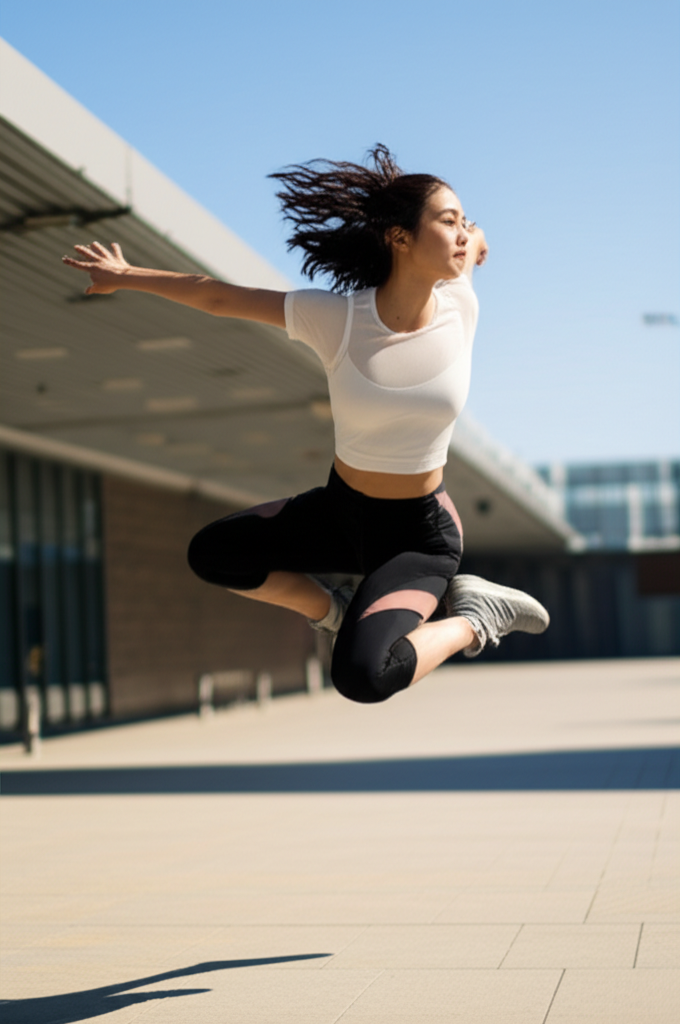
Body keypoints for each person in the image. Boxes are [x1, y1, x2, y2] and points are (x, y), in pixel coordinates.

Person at [63, 144, 549, 705]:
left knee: (363, 677)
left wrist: (475, 238)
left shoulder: (460, 304)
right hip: (339, 514)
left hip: (417, 537)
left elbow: (474, 240)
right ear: (399, 237)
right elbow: (219, 297)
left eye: (465, 221)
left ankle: (476, 616)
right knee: (213, 554)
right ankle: (332, 610)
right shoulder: (338, 318)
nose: (462, 233)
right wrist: (126, 275)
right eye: (448, 221)